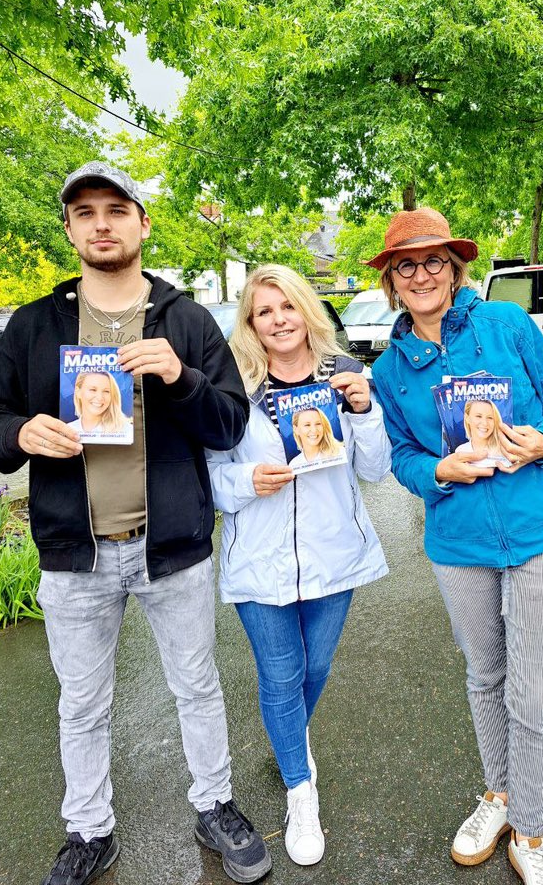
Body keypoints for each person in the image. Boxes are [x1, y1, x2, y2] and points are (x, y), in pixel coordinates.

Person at [0, 161, 271, 885]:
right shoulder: (33, 325)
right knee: (81, 702)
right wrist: (20, 434)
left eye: (116, 209)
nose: (101, 223)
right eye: (85, 212)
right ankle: (89, 829)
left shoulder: (185, 320)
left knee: (197, 686)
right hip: (73, 556)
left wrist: (181, 377)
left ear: (143, 223)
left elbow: (231, 425)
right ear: (71, 230)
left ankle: (214, 805)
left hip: (171, 548)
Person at [367, 208, 543, 885]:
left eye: (435, 260)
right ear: (392, 282)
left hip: (540, 529)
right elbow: (401, 455)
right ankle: (498, 794)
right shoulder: (390, 370)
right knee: (485, 676)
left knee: (534, 692)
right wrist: (437, 471)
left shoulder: (506, 324)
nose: (422, 274)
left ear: (455, 268)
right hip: (459, 541)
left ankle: (530, 830)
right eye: (407, 264)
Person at [206, 264, 390, 867]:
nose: (278, 320)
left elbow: (373, 470)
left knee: (316, 667)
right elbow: (209, 475)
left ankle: (289, 741)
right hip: (259, 560)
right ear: (250, 323)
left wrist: (365, 412)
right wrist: (244, 479)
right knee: (281, 675)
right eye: (264, 312)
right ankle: (299, 790)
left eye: (287, 307)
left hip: (333, 555)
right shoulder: (232, 386)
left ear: (306, 310)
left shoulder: (345, 376)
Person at [67, 370, 133, 442]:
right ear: (78, 392)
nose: (99, 397)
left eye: (106, 391)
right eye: (93, 390)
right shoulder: (68, 429)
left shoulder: (127, 431)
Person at [454, 399, 510, 467]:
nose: (484, 423)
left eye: (490, 418)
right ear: (467, 418)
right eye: (478, 416)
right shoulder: (460, 451)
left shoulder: (505, 450)